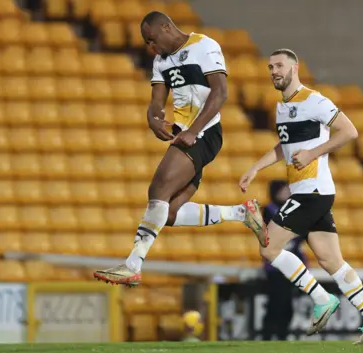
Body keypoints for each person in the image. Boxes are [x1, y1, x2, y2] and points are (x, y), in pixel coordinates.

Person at [93, 12, 267, 287]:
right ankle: (241, 213)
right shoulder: (160, 62)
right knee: (169, 213)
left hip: (204, 132)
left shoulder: (204, 45)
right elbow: (156, 101)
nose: (152, 46)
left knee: (157, 190)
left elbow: (220, 93)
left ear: (166, 27)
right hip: (186, 133)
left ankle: (132, 264)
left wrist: (193, 131)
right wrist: (153, 119)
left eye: (152, 39)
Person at [238, 49, 363, 345]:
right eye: (270, 67)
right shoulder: (282, 107)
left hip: (313, 191)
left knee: (268, 248)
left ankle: (322, 299)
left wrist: (313, 153)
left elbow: (349, 131)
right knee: (330, 260)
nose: (273, 71)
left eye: (279, 65)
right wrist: (255, 168)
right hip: (312, 193)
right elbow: (285, 146)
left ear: (294, 69)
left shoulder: (314, 100)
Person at [261, 180, 307, 341]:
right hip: (275, 266)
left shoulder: (293, 210)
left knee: (287, 303)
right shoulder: (268, 210)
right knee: (275, 302)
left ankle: (282, 334)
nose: (287, 193)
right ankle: (268, 334)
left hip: (291, 265)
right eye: (283, 190)